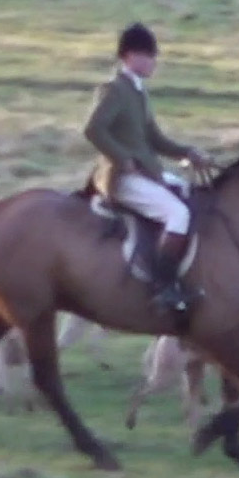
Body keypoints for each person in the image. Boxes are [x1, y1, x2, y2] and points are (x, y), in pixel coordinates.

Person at [83, 22, 214, 312]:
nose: (154, 61)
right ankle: (162, 286)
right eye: (149, 55)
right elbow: (93, 129)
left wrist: (188, 152)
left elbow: (154, 139)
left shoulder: (138, 92)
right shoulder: (114, 90)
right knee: (178, 215)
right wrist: (121, 158)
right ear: (129, 56)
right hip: (122, 178)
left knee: (189, 193)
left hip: (146, 171)